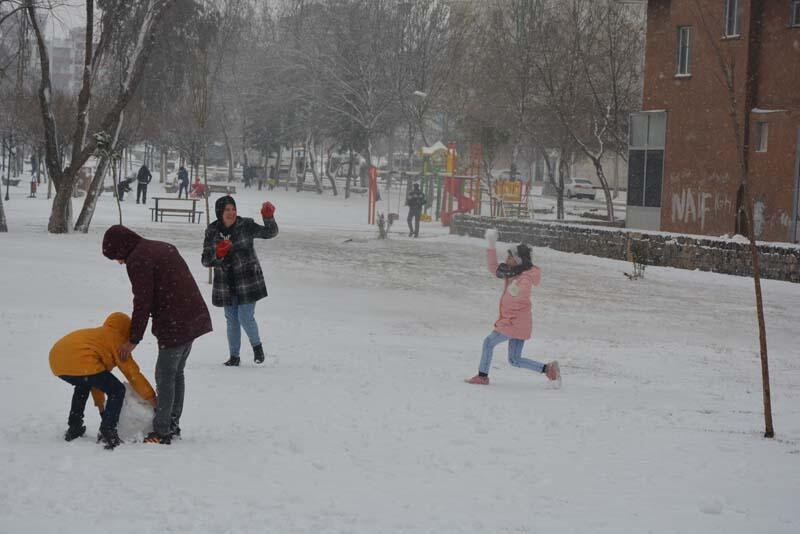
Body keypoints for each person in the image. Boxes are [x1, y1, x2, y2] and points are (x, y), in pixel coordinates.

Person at [102, 225, 212, 444]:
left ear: (121, 247)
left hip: (175, 322)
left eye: (116, 257)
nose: (119, 262)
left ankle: (162, 431)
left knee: (165, 375)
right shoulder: (159, 247)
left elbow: (143, 302)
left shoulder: (138, 259)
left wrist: (133, 339)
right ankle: (171, 423)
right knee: (175, 373)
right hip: (192, 316)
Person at [465, 229, 561, 386]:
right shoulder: (512, 271)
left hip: (513, 321)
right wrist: (491, 245)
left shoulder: (526, 276)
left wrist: (516, 289)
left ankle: (482, 376)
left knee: (488, 342)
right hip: (518, 322)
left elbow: (523, 292)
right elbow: (493, 268)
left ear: (518, 260)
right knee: (515, 359)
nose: (507, 259)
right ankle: (548, 369)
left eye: (510, 256)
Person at [49, 312, 156, 450]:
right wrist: (151, 398)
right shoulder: (116, 339)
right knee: (117, 390)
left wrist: (101, 408)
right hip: (82, 362)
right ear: (125, 329)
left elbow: (94, 379)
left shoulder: (99, 335)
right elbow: (132, 373)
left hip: (57, 362)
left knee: (83, 384)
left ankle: (74, 427)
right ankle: (108, 431)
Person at [202, 195, 278, 367]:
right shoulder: (212, 231)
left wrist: (268, 218)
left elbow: (270, 233)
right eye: (227, 210)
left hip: (248, 281)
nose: (231, 213)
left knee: (244, 316)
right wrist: (218, 255)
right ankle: (234, 356)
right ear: (220, 212)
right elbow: (206, 260)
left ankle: (257, 347)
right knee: (232, 319)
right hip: (226, 283)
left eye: (233, 209)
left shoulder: (246, 226)